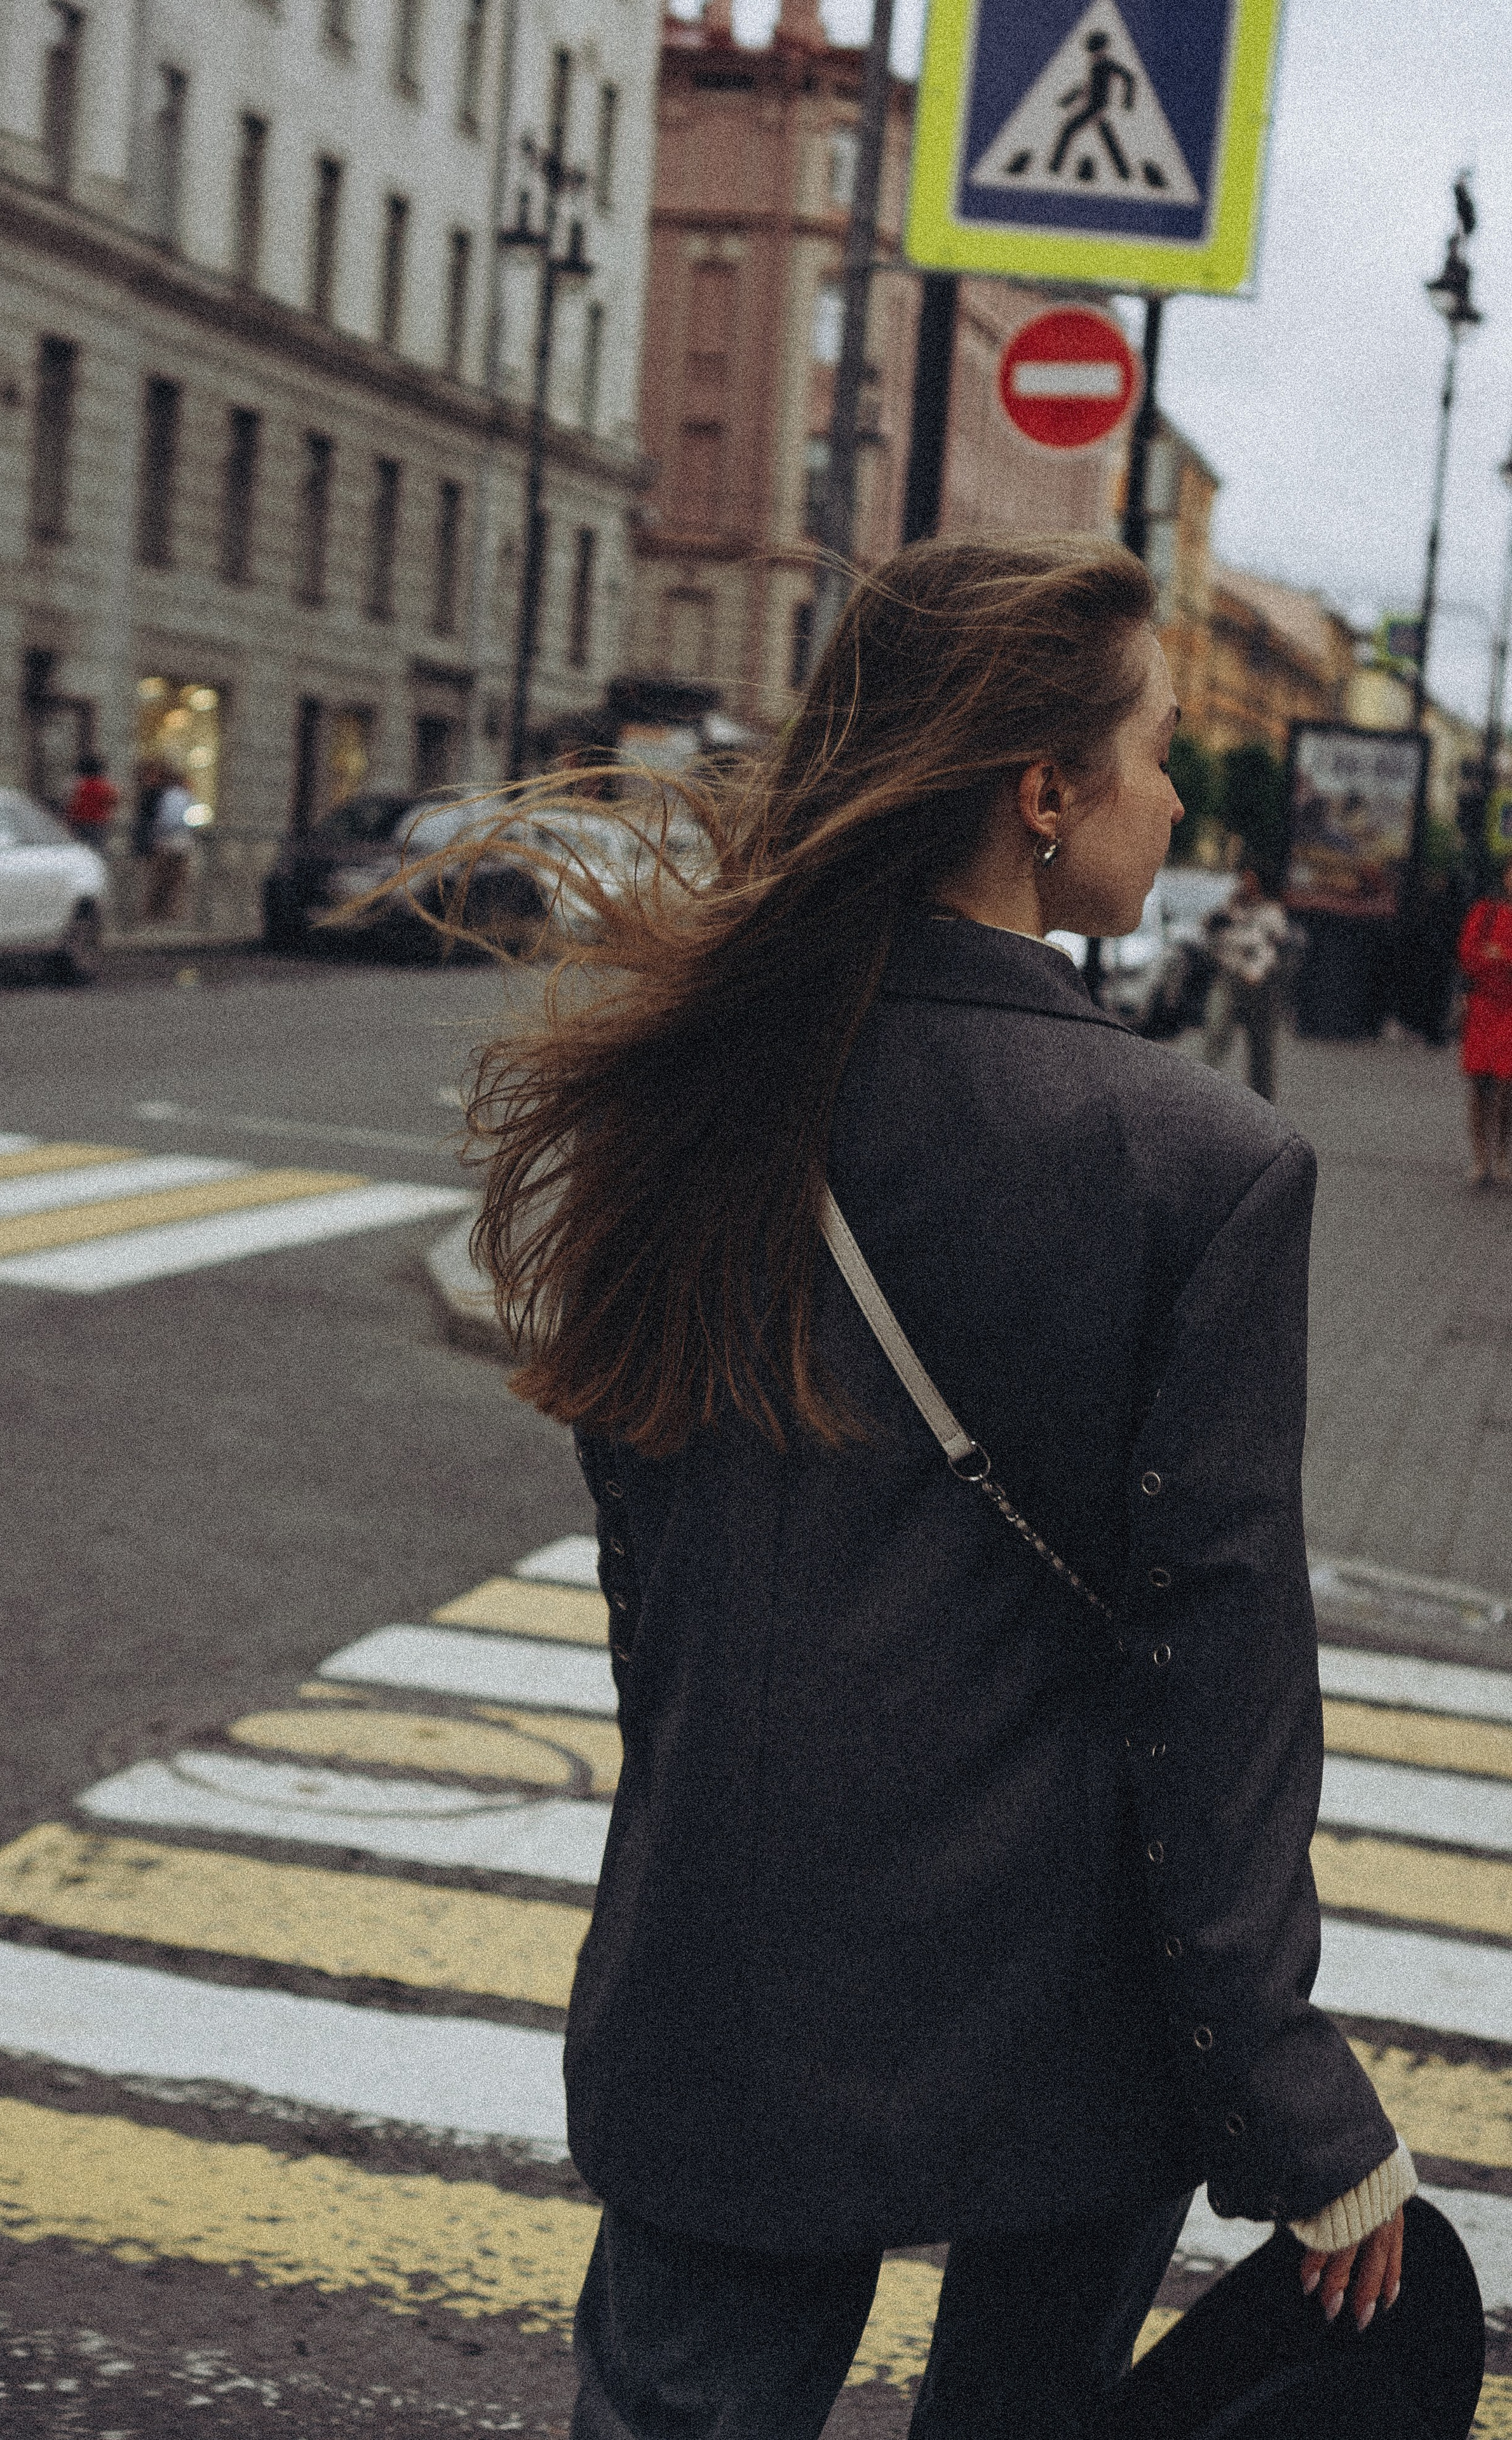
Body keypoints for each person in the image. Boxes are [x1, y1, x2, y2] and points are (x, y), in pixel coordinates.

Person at [460, 539, 1473, 2438]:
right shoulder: (1200, 1163)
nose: (1174, 798)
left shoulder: (692, 1083)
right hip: (1066, 2003)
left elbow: (647, 1555)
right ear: (1041, 793)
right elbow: (1215, 1671)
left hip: (727, 1966)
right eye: (1153, 750)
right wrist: (1287, 2087)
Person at [1199, 866, 1292, 1100]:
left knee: (1261, 1047)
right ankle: (1200, 1091)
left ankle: (1263, 1101)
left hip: (1259, 986)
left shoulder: (1271, 911)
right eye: (1244, 880)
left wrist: (1258, 970)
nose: (1246, 884)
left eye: (1251, 880)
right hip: (1228, 978)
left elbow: (1275, 947)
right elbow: (1208, 927)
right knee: (1216, 1036)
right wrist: (1225, 913)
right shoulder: (1230, 907)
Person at [1457, 861, 1512, 1184]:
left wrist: (1499, 956)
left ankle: (1502, 1153)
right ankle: (1480, 1157)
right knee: (1478, 1084)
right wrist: (1497, 958)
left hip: (1509, 1010)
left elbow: (1488, 956)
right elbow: (1468, 956)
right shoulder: (1485, 911)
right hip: (1482, 1007)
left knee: (1506, 1085)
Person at [134, 760, 197, 923]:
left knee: (159, 880)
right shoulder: (184, 797)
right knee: (176, 882)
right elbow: (190, 820)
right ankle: (171, 913)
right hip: (181, 842)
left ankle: (155, 914)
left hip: (165, 842)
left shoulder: (166, 795)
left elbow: (163, 821)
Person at [63, 752, 118, 844]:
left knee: (80, 845)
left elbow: (69, 803)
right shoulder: (104, 786)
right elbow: (113, 800)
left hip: (80, 821)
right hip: (100, 822)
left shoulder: (79, 786)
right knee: (97, 846)